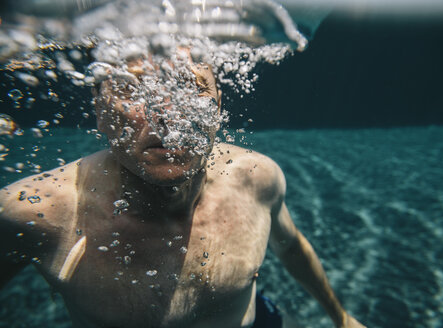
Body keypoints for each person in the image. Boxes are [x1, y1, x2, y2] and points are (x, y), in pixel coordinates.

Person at [0, 49, 366, 328]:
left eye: (191, 87)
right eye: (132, 88)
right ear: (99, 108)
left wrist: (342, 318)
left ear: (218, 104)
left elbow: (292, 248)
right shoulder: (33, 212)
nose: (167, 113)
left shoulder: (258, 178)